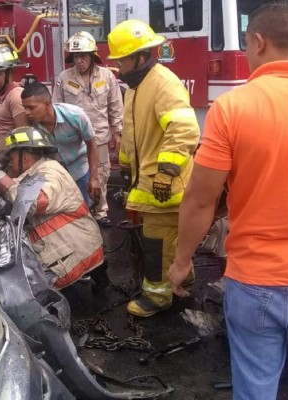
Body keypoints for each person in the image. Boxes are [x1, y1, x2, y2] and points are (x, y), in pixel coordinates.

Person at [167, 2, 288, 399]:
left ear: (258, 41)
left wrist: (182, 262)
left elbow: (201, 200)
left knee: (255, 385)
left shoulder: (233, 108)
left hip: (254, 279)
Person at [106, 19, 200, 317]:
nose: (119, 65)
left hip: (164, 186)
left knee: (157, 242)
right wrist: (124, 165)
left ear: (142, 56)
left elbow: (185, 129)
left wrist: (166, 172)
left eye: (122, 59)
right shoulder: (137, 85)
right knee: (170, 238)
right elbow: (133, 131)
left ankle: (158, 297)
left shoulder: (163, 83)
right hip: (147, 182)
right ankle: (184, 279)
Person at [0, 126, 107, 289]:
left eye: (11, 160)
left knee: (18, 291)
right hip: (67, 251)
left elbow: (32, 202)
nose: (10, 166)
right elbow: (13, 200)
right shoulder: (34, 173)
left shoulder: (50, 172)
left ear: (25, 157)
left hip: (74, 256)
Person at [52, 31, 124, 227]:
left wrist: (117, 132)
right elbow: (56, 106)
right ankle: (80, 211)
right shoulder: (64, 77)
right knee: (73, 175)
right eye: (76, 56)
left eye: (83, 56)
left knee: (100, 174)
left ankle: (100, 211)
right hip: (73, 139)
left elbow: (115, 105)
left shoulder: (107, 76)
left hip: (99, 136)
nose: (79, 61)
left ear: (93, 56)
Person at [21, 82, 101, 206]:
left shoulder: (76, 116)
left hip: (80, 170)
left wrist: (94, 178)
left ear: (47, 104)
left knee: (85, 211)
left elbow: (91, 144)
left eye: (31, 108)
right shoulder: (30, 126)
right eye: (24, 108)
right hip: (53, 176)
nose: (27, 112)